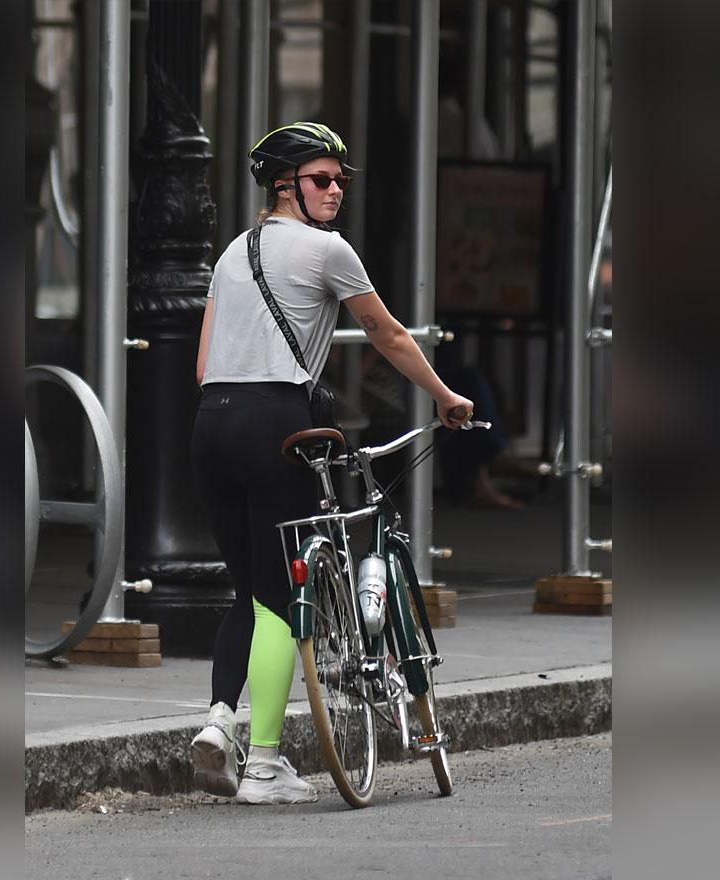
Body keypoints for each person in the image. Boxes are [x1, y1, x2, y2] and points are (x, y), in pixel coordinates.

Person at [188, 122, 474, 805]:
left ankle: (219, 720)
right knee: (284, 605)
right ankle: (261, 765)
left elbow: (201, 364)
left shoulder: (231, 255)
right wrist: (445, 396)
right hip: (275, 421)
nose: (336, 189)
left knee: (249, 591)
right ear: (285, 185)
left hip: (210, 425)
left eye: (341, 179)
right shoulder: (327, 250)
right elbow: (387, 333)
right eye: (322, 178)